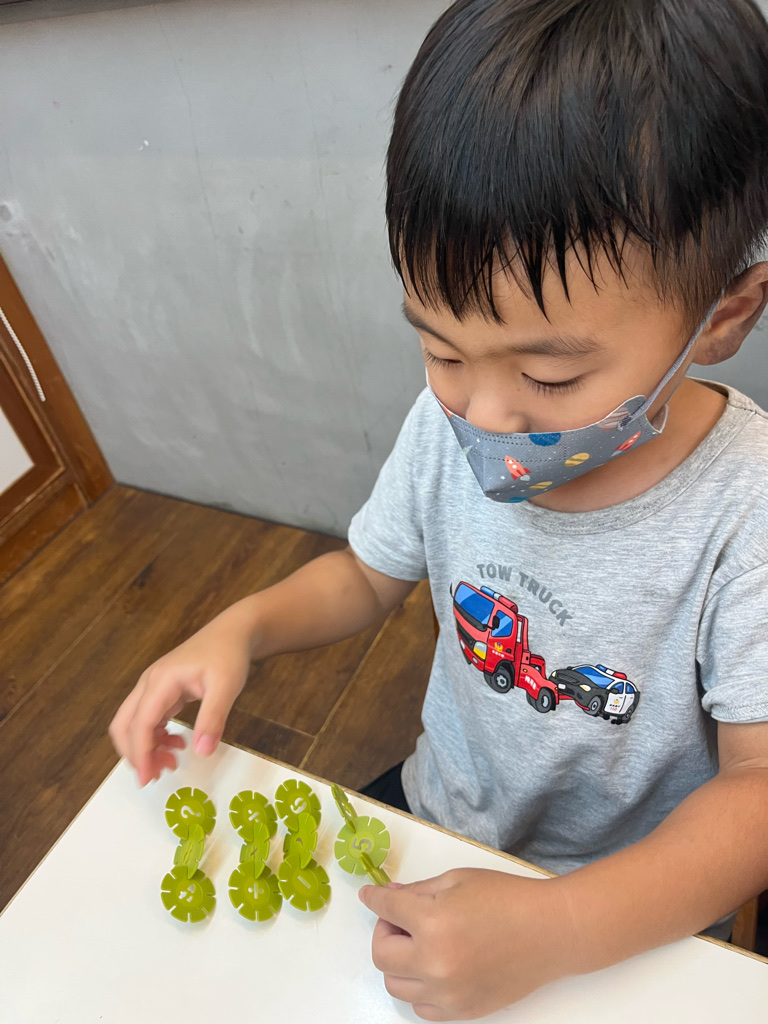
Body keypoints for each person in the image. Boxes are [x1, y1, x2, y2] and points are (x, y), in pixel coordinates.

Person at [109, 0, 768, 1018]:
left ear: (721, 316)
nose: (485, 415)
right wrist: (241, 626)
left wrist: (564, 926)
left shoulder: (744, 509)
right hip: (439, 816)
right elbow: (365, 574)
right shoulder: (447, 424)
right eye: (442, 349)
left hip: (620, 904)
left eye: (549, 377)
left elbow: (756, 788)